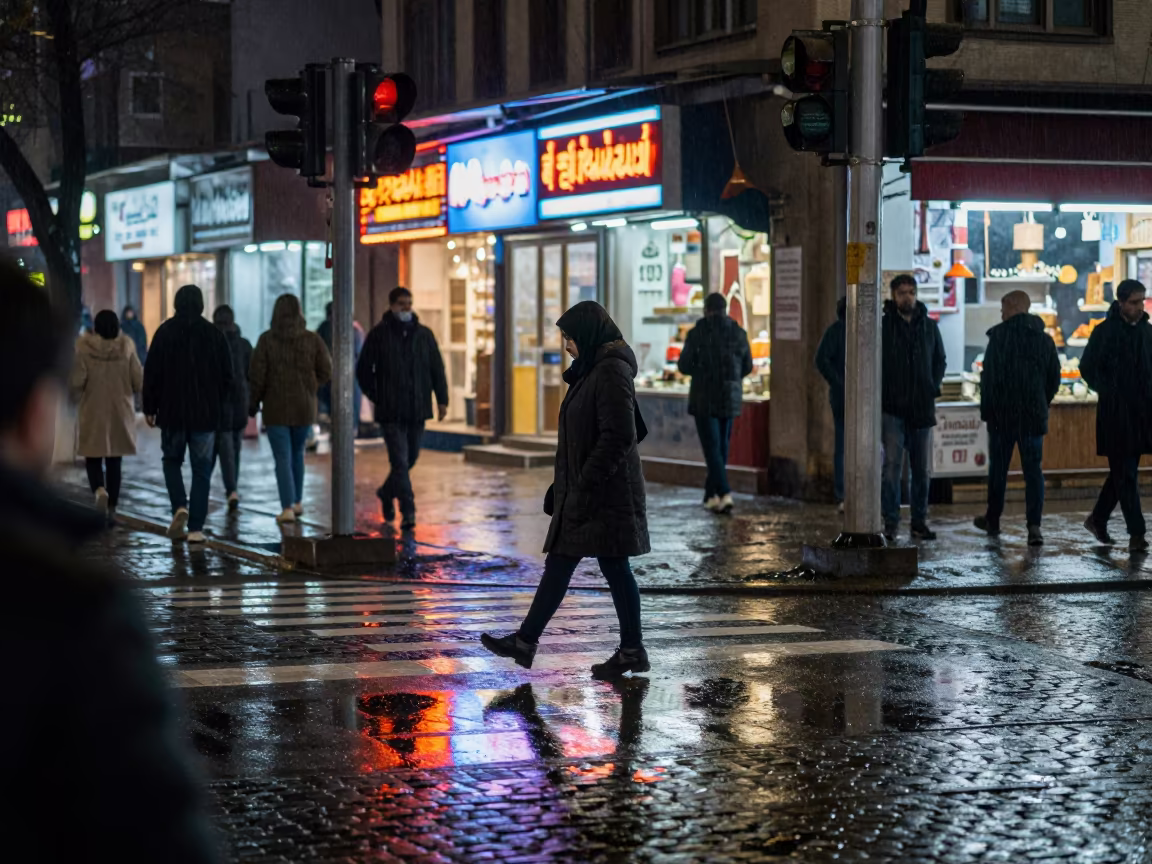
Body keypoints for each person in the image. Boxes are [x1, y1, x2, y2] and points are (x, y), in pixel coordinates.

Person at [0, 259, 219, 862]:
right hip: (150, 418)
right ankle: (169, 513)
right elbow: (157, 828)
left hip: (141, 416)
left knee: (154, 463)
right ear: (32, 411)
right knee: (166, 468)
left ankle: (153, 502)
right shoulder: (73, 610)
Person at [480, 301, 651, 679]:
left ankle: (625, 649)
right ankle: (624, 649)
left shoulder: (610, 371)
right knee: (573, 561)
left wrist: (584, 484)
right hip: (591, 488)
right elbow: (585, 436)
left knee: (604, 565)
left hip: (606, 493)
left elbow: (620, 435)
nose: (567, 346)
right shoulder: (592, 369)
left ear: (587, 336)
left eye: (570, 338)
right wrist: (562, 484)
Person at [142, 284, 233, 544]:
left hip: (172, 413)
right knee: (202, 469)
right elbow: (228, 377)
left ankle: (179, 505)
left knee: (172, 461)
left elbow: (152, 373)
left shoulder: (165, 332)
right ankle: (196, 528)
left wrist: (150, 407)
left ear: (176, 303)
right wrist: (218, 405)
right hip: (205, 415)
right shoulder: (215, 335)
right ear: (202, 304)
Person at [973, 291, 1061, 546]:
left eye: (1002, 308)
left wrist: (989, 412)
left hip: (1002, 419)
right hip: (1032, 417)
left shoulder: (999, 338)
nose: (1001, 314)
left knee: (998, 472)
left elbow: (988, 380)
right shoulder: (1044, 340)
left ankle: (993, 520)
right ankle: (1034, 526)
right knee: (1033, 472)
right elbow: (1054, 379)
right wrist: (1040, 402)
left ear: (1012, 307)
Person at [357, 286, 448, 530]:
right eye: (401, 303)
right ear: (391, 305)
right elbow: (363, 371)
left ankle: (386, 493)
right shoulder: (379, 335)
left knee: (411, 457)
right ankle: (408, 510)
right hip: (391, 411)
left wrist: (442, 400)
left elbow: (437, 369)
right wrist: (378, 396)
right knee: (399, 460)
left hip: (417, 408)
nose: (406, 308)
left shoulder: (424, 335)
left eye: (409, 303)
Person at [1080, 279, 1152, 552]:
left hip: (1141, 415)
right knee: (1127, 475)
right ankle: (1137, 534)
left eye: (1141, 301)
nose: (1139, 306)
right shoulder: (1105, 332)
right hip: (1115, 415)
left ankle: (1098, 519)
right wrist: (1109, 391)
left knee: (1123, 473)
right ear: (1121, 302)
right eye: (1134, 302)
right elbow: (1087, 367)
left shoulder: (1147, 333)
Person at [249, 293, 332, 524]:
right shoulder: (311, 339)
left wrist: (253, 404)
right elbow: (326, 369)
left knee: (282, 458)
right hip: (304, 407)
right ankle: (297, 502)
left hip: (275, 408)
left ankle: (286, 506)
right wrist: (311, 385)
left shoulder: (266, 340)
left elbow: (257, 376)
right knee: (298, 454)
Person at [881, 273, 946, 542]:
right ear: (893, 296)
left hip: (921, 407)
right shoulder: (884, 326)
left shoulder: (929, 327)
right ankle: (891, 522)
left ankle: (919, 522)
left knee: (921, 470)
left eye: (911, 292)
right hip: (893, 407)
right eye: (902, 293)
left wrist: (932, 386)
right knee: (893, 468)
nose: (907, 297)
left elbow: (939, 360)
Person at [676, 292, 753, 514]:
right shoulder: (738, 333)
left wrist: (701, 370)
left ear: (706, 309)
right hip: (729, 397)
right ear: (725, 308)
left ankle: (724, 492)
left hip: (704, 398)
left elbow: (683, 365)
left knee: (712, 449)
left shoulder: (697, 333)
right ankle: (710, 495)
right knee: (721, 448)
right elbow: (747, 365)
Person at [70, 310, 143, 521]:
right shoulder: (127, 347)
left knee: (92, 457)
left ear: (96, 327)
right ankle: (112, 507)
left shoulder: (83, 348)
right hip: (119, 410)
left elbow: (77, 381)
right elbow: (138, 380)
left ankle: (99, 490)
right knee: (114, 461)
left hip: (93, 409)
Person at [212, 305, 252, 510]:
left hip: (219, 405)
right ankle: (232, 487)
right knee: (235, 448)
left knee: (225, 447)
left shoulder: (210, 344)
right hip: (240, 403)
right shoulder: (243, 344)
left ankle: (231, 489)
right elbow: (250, 374)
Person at [815, 296, 847, 510]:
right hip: (844, 397)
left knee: (843, 445)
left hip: (841, 394)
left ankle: (843, 493)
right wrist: (840, 383)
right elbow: (821, 360)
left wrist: (838, 383)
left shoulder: (836, 330)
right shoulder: (838, 331)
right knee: (845, 445)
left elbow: (821, 359)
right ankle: (843, 492)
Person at [316, 301, 364, 432]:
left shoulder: (324, 328)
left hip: (328, 377)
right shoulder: (354, 329)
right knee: (349, 410)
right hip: (349, 377)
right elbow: (359, 354)